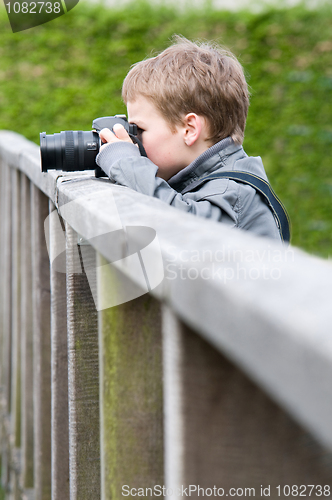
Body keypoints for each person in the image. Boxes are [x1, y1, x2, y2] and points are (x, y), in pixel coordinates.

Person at [96, 35, 282, 241]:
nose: (134, 140)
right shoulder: (202, 181)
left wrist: (126, 164)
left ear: (190, 129)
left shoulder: (233, 192)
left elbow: (182, 227)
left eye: (139, 129)